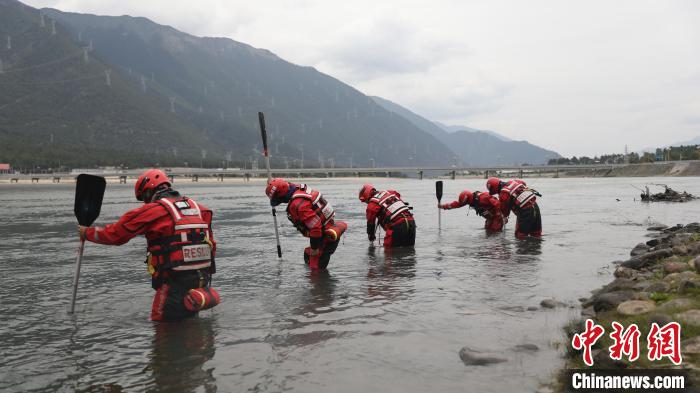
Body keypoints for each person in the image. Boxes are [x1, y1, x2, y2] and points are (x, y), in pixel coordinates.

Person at [78, 169, 220, 321]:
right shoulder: (201, 210)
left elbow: (116, 235)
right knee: (190, 326)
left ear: (147, 191)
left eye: (144, 198)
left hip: (172, 285)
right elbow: (211, 245)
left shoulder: (153, 211)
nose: (145, 202)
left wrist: (87, 233)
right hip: (200, 283)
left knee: (163, 332)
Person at [266, 178, 347, 270]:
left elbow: (315, 227)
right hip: (329, 227)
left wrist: (314, 249)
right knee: (307, 254)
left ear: (281, 195)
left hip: (324, 237)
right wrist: (272, 185)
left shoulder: (298, 205)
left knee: (315, 272)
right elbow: (282, 185)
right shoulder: (298, 189)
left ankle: (319, 280)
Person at [438, 190, 504, 232]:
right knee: (488, 231)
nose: (465, 204)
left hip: (497, 216)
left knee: (494, 231)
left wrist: (499, 215)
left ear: (468, 199)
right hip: (490, 217)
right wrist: (443, 206)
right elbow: (456, 204)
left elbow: (497, 203)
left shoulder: (483, 197)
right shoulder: (470, 200)